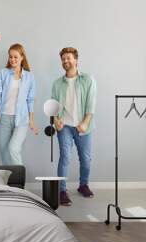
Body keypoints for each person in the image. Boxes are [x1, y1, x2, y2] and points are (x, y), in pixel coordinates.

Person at [51, 47, 97, 206]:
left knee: (86, 160)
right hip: (65, 127)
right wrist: (55, 120)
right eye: (63, 59)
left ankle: (83, 185)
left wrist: (85, 122)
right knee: (65, 158)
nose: (65, 61)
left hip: (83, 126)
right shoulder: (57, 83)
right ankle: (62, 191)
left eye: (68, 58)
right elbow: (53, 106)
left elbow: (91, 104)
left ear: (76, 60)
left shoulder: (88, 80)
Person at [0, 43, 38, 165]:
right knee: (4, 152)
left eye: (15, 57)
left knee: (13, 148)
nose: (12, 59)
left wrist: (31, 121)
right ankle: (9, 182)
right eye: (10, 57)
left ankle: (19, 181)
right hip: (4, 118)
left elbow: (30, 100)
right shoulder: (3, 73)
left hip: (21, 119)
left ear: (22, 57)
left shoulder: (29, 77)